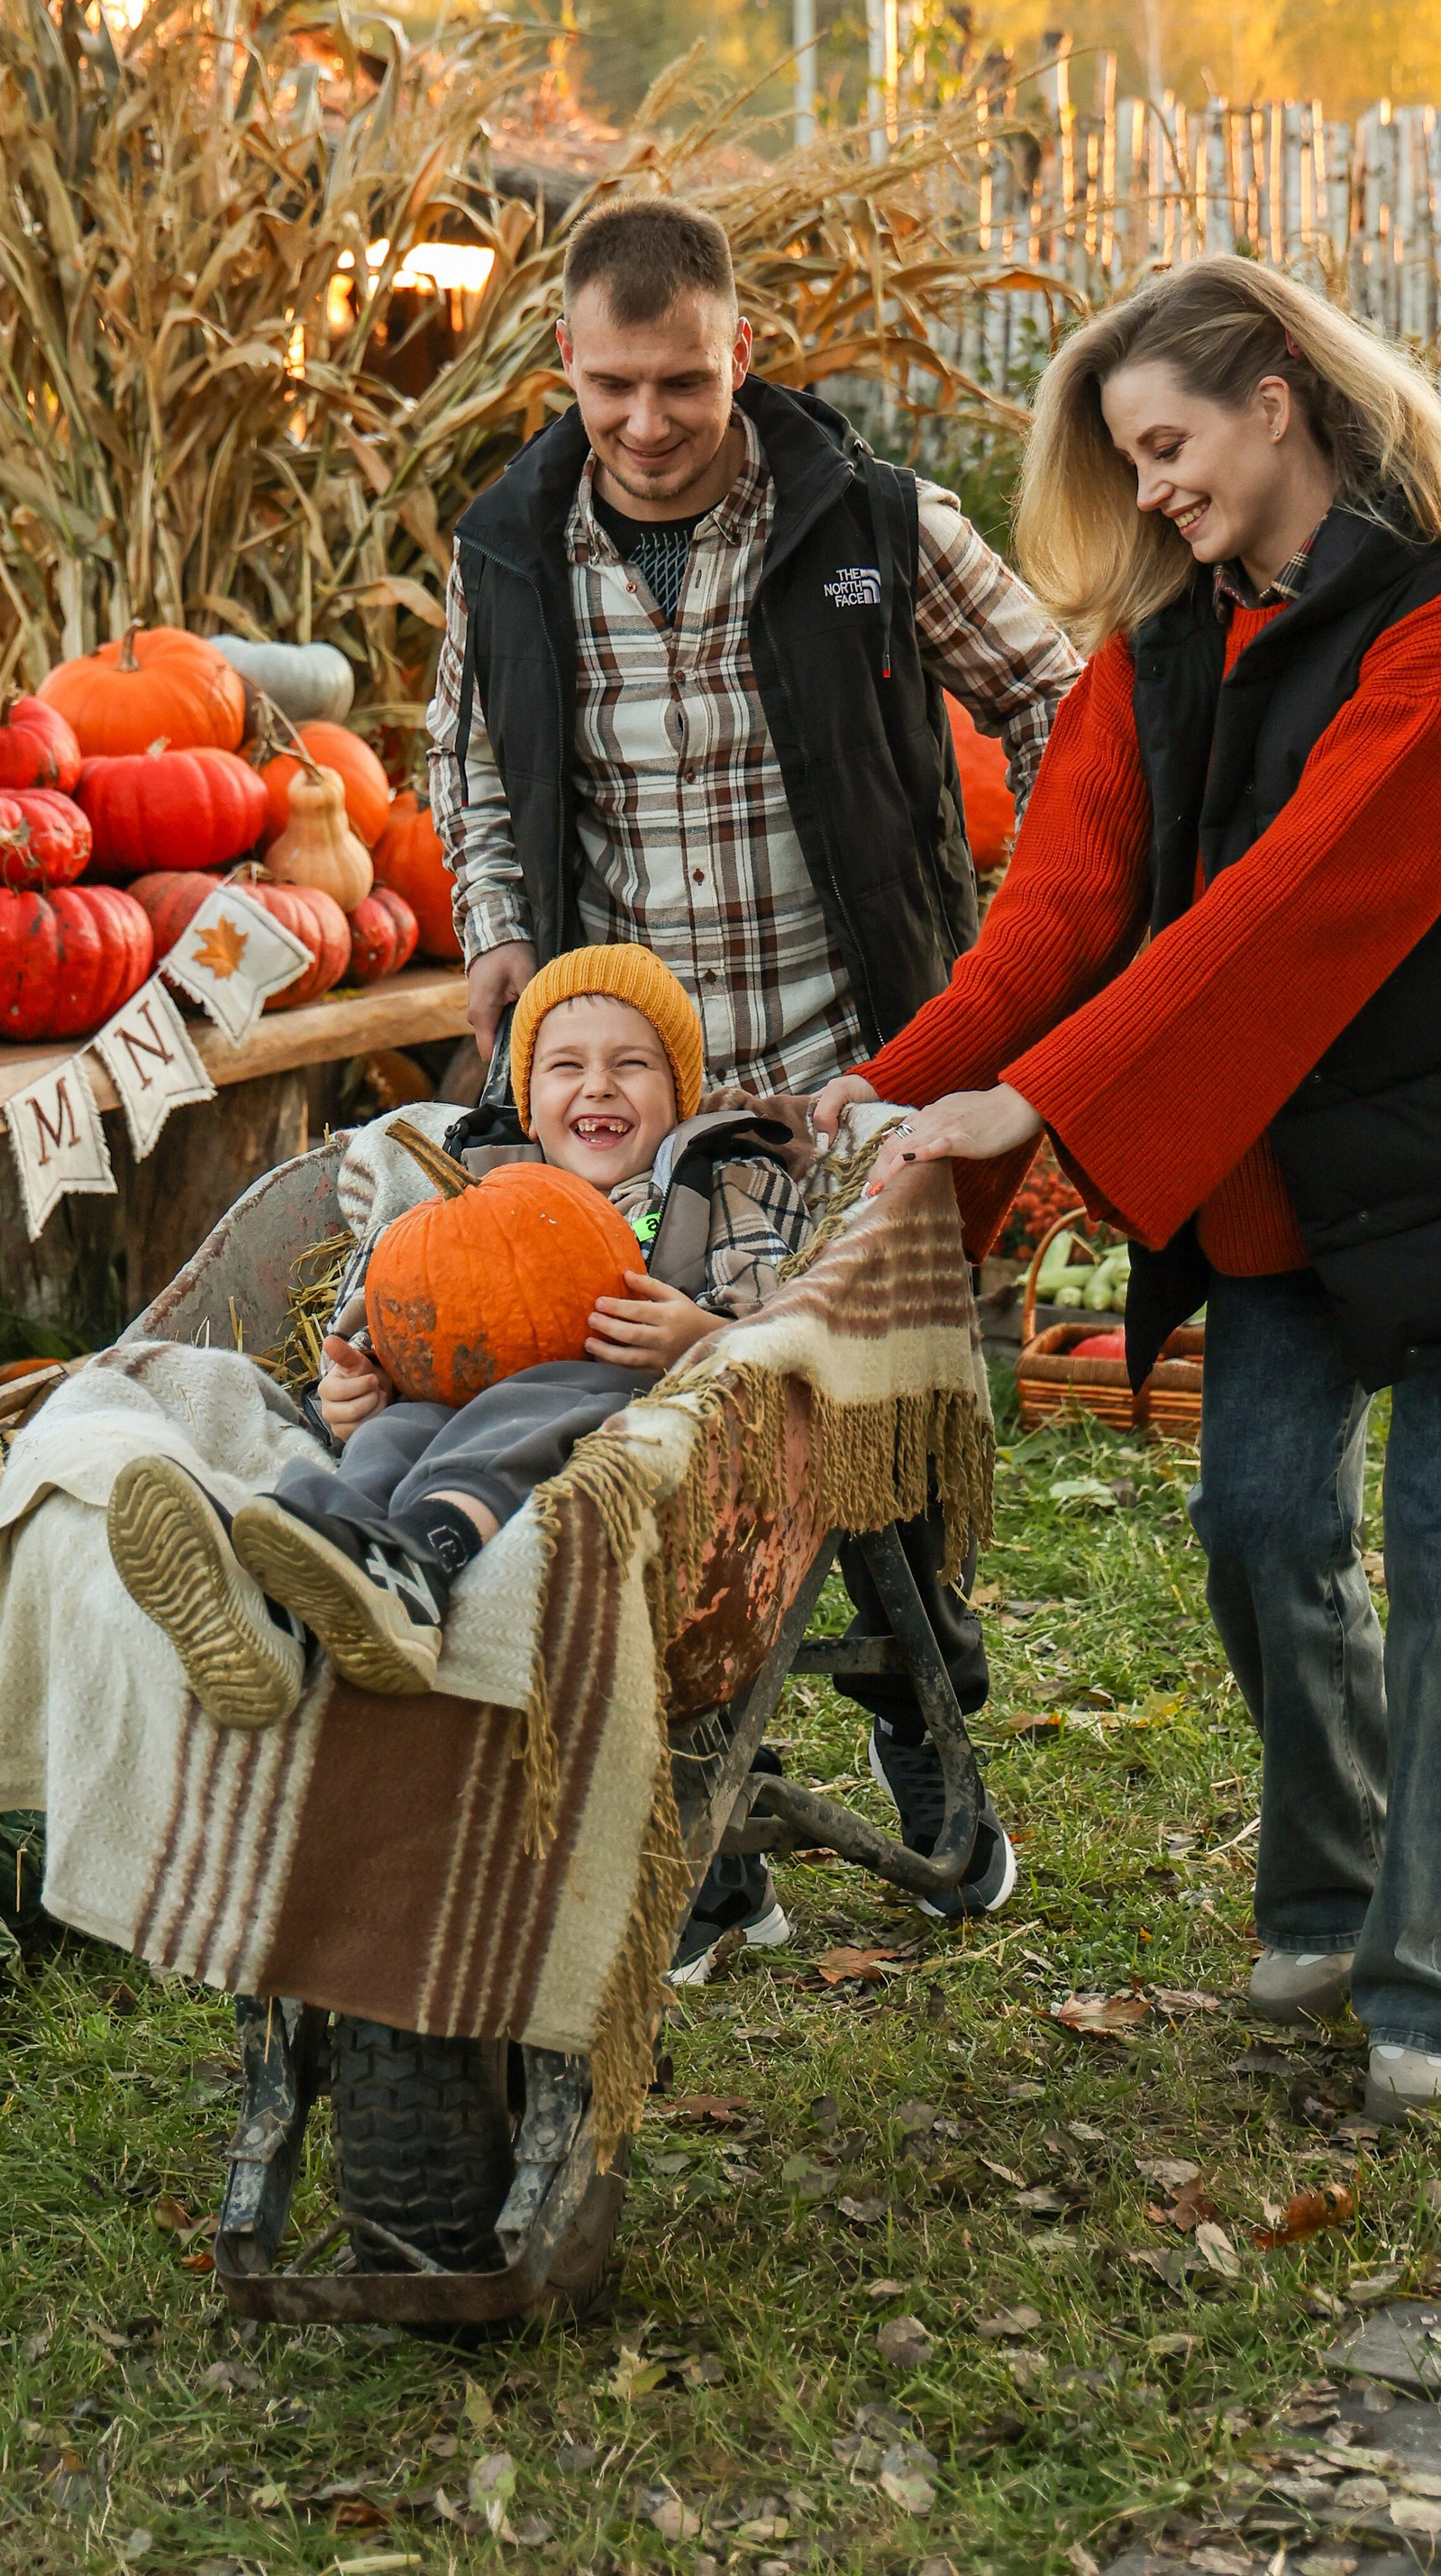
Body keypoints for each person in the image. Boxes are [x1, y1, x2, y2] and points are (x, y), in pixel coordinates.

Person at [812, 256, 1441, 2124]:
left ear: (1273, 394)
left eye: (1167, 445)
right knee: (1258, 1523)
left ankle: (1420, 1986)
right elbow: (1054, 911)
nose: (1150, 496)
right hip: (1295, 1170)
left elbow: (1290, 913)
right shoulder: (1159, 651)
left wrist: (1032, 1105)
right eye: (1125, 464)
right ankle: (1326, 1881)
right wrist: (884, 1102)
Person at [426, 194, 1081, 1930]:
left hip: (858, 1069)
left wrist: (1041, 930)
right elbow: (473, 782)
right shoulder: (505, 554)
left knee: (868, 1437)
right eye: (617, 386)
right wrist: (499, 923)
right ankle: (712, 1843)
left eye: (688, 387)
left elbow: (1063, 701)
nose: (649, 425)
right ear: (563, 361)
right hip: (636, 1109)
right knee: (673, 1443)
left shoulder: (868, 521)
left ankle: (925, 1719)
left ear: (741, 358)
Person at [104, 944, 820, 1979]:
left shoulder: (722, 1176)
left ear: (682, 1090)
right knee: (398, 1428)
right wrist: (349, 1385)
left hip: (639, 1425)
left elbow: (780, 1314)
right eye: (566, 1066)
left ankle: (418, 1553)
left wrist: (695, 1337)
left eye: (633, 1065)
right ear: (527, 1098)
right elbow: (381, 1321)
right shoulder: (475, 1182)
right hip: (452, 1410)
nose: (599, 1088)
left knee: (539, 1392)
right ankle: (310, 1570)